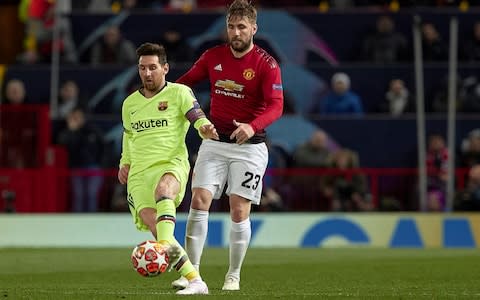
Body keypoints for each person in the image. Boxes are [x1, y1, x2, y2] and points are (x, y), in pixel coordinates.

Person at [173, 0, 284, 291]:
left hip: (250, 146)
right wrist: (166, 92)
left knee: (238, 209)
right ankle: (192, 274)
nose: (235, 32)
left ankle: (233, 274)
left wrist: (252, 125)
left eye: (241, 27)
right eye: (231, 26)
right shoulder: (212, 56)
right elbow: (184, 87)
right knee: (198, 200)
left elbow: (276, 106)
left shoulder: (266, 64)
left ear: (254, 29)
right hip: (214, 141)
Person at [117, 42, 218, 295]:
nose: (147, 73)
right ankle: (195, 280)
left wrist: (204, 127)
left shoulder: (179, 93)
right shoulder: (129, 103)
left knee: (165, 191)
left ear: (165, 68)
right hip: (139, 175)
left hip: (171, 164)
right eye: (142, 68)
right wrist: (124, 162)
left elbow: (196, 114)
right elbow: (128, 136)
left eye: (152, 67)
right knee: (161, 234)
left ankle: (192, 279)